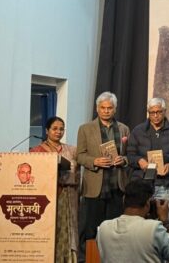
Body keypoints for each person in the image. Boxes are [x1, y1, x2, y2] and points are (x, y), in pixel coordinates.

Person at [77, 92, 130, 261]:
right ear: (97, 108)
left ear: (115, 109)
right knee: (90, 229)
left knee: (114, 231)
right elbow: (80, 156)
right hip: (94, 188)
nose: (106, 111)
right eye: (103, 108)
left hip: (116, 187)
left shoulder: (123, 129)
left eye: (109, 108)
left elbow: (130, 155)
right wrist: (94, 161)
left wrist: (123, 160)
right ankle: (89, 259)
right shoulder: (85, 128)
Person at [96, 179, 169, 263]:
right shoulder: (153, 228)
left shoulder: (104, 228)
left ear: (123, 200)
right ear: (147, 203)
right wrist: (165, 221)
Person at [30, 116, 80, 263]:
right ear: (47, 131)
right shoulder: (36, 151)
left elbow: (77, 174)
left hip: (68, 195)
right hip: (46, 197)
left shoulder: (72, 150)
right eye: (55, 129)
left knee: (67, 229)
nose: (58, 132)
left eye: (61, 129)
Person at [127, 97, 169, 216]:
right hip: (142, 184)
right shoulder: (138, 131)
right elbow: (130, 155)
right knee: (141, 221)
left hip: (165, 184)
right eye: (152, 112)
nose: (156, 115)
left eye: (159, 112)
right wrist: (139, 161)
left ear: (164, 111)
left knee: (163, 220)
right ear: (148, 113)